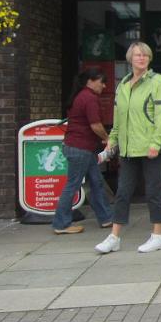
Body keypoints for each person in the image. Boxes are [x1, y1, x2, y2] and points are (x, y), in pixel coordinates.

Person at [95, 41, 161, 254]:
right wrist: (113, 139)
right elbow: (119, 117)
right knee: (123, 192)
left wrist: (156, 143)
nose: (141, 58)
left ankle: (158, 235)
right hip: (129, 148)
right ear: (130, 58)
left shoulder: (157, 82)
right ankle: (114, 237)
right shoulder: (123, 85)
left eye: (145, 55)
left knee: (153, 192)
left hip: (151, 148)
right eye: (137, 55)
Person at [51, 68, 114, 234]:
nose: (104, 85)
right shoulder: (89, 98)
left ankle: (106, 218)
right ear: (91, 81)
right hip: (80, 148)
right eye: (101, 81)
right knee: (73, 185)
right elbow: (95, 125)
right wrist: (107, 139)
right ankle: (61, 224)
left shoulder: (80, 96)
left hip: (81, 148)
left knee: (96, 182)